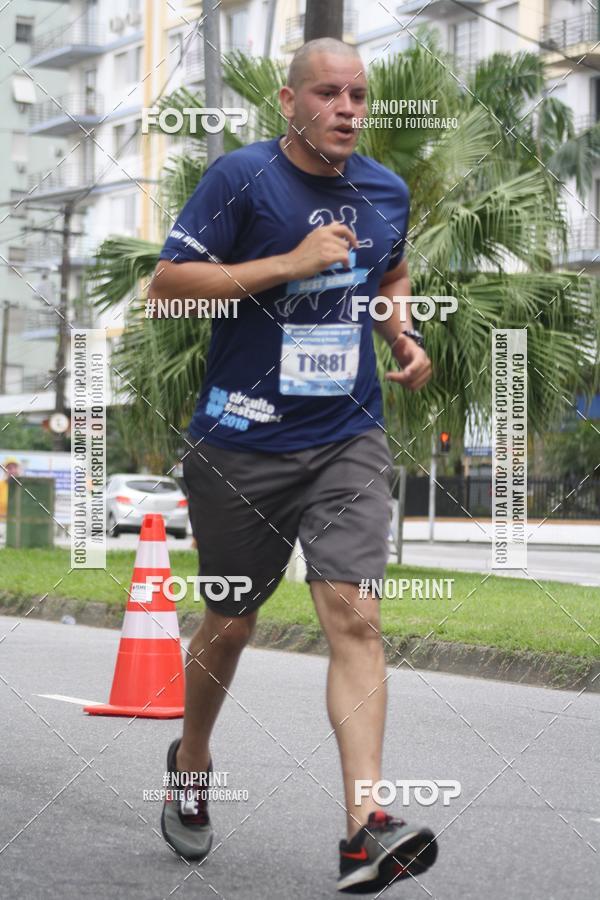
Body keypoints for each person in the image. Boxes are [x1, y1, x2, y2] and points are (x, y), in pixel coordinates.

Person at [148, 37, 437, 893]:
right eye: (328, 94)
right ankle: (192, 761)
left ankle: (364, 831)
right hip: (240, 440)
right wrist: (289, 263)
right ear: (289, 102)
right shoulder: (240, 178)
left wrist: (402, 332)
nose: (348, 109)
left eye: (358, 95)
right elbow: (167, 284)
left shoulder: (385, 188)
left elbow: (390, 270)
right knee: (231, 624)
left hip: (347, 433)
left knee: (354, 612)